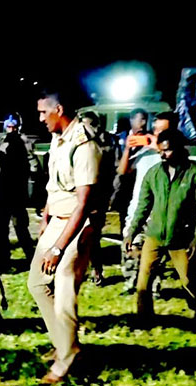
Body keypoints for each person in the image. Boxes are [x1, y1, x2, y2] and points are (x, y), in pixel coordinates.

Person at [27, 88, 102, 384]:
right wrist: (46, 218)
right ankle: (66, 344)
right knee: (36, 283)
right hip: (56, 222)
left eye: (43, 112)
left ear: (58, 110)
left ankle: (66, 359)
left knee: (64, 293)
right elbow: (54, 186)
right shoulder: (59, 140)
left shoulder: (83, 144)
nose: (41, 119)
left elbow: (83, 203)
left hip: (76, 226)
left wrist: (58, 247)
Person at [125, 129, 196, 320]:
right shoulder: (154, 174)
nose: (162, 154)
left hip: (181, 238)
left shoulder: (194, 174)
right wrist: (131, 232)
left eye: (166, 151)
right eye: (160, 150)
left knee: (188, 281)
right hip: (155, 235)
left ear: (179, 149)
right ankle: (144, 319)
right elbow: (143, 205)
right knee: (143, 282)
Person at [120, 112, 177, 294]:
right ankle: (130, 281)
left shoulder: (174, 155)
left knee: (155, 254)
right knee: (131, 245)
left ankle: (153, 287)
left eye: (162, 130)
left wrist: (159, 148)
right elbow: (123, 171)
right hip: (137, 208)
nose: (157, 133)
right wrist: (129, 147)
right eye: (155, 129)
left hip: (159, 212)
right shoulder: (143, 150)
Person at [0, 114, 35, 269]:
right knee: (0, 229)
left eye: (13, 126)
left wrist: (29, 191)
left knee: (20, 227)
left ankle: (32, 258)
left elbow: (32, 165)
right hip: (3, 190)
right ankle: (2, 260)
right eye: (8, 126)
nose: (11, 129)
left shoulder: (24, 142)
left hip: (16, 192)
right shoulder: (2, 142)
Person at [79, 111, 116, 286]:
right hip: (81, 194)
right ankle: (82, 268)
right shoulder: (79, 140)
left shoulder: (106, 142)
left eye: (87, 124)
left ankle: (97, 270)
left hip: (98, 196)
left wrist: (108, 197)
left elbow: (111, 172)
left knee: (93, 236)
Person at [110, 108, 149, 234]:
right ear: (132, 120)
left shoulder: (150, 139)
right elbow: (119, 168)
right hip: (123, 186)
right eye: (141, 119)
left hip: (142, 182)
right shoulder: (119, 139)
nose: (143, 123)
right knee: (124, 216)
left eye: (145, 120)